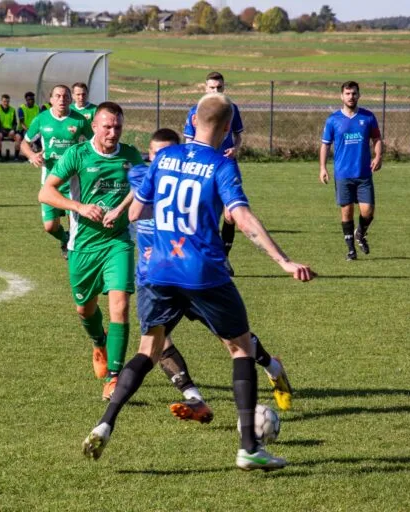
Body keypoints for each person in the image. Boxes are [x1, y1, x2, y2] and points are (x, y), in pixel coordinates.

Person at [82, 93, 315, 471]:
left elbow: (138, 210)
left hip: (158, 271)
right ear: (226, 129)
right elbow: (241, 218)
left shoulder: (164, 159)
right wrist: (284, 261)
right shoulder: (221, 166)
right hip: (203, 271)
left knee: (148, 351)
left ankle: (105, 423)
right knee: (240, 349)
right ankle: (248, 448)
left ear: (192, 123)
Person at [128, 129, 295, 424]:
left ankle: (273, 368)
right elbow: (132, 205)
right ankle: (194, 398)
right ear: (150, 156)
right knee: (158, 342)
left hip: (197, 274)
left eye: (167, 152)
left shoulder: (194, 175)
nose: (161, 159)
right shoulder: (142, 177)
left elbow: (228, 210)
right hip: (155, 278)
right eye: (155, 154)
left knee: (230, 339)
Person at [38, 102, 143, 401]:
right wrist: (80, 207)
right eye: (107, 126)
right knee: (85, 308)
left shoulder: (130, 156)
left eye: (118, 127)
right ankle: (99, 342)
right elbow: (46, 192)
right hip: (83, 244)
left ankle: (114, 377)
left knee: (120, 305)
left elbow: (144, 187)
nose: (113, 132)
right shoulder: (78, 154)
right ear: (94, 126)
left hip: (118, 241)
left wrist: (122, 208)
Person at [21, 85, 93, 258]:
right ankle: (64, 238)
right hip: (50, 180)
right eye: (58, 96)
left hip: (73, 180)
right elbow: (25, 143)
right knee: (50, 227)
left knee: (74, 222)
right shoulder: (42, 119)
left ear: (70, 99)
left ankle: (74, 250)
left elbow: (92, 144)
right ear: (51, 99)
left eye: (65, 96)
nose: (61, 99)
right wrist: (32, 155)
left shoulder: (79, 120)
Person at [184, 71, 244, 276]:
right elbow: (188, 142)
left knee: (231, 214)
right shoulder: (195, 111)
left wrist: (236, 148)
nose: (215, 91)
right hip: (203, 169)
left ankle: (224, 258)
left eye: (219, 87)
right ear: (205, 88)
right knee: (203, 215)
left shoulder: (232, 109)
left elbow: (238, 136)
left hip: (227, 166)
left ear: (224, 88)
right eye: (212, 88)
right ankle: (197, 258)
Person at [319, 81, 383, 261]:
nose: (351, 97)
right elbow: (325, 145)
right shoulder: (333, 120)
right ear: (342, 96)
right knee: (346, 212)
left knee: (367, 212)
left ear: (359, 95)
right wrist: (323, 168)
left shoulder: (368, 117)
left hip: (363, 174)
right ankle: (350, 250)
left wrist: (378, 156)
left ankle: (360, 233)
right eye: (347, 94)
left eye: (354, 93)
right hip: (343, 174)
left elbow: (377, 139)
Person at [0, 94, 22, 161]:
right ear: (1, 101)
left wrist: (13, 130)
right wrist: (5, 132)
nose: (6, 103)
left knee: (18, 137)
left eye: (8, 101)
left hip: (10, 130)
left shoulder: (12, 110)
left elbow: (15, 123)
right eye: (4, 101)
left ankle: (16, 157)